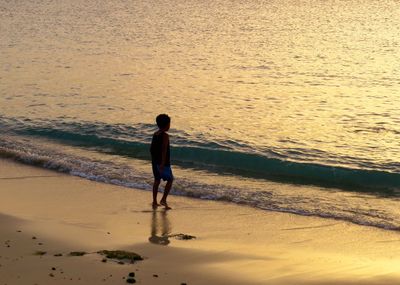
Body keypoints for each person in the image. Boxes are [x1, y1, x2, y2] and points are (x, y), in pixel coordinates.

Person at [150, 114, 173, 209]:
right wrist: (163, 163)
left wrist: (155, 160)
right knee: (170, 180)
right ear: (167, 125)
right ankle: (163, 199)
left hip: (155, 162)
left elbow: (151, 149)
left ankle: (155, 201)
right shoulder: (165, 136)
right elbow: (164, 150)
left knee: (157, 180)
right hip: (163, 163)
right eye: (169, 124)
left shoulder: (155, 134)